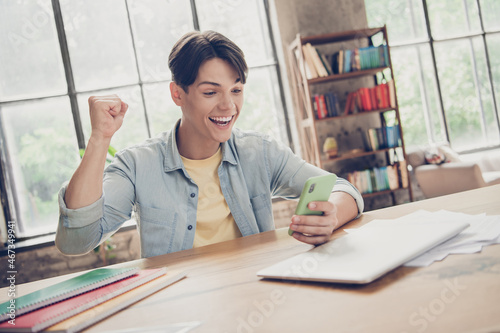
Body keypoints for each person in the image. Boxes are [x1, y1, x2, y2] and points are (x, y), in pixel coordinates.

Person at [56, 31, 364, 258]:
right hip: (181, 308)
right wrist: (99, 139)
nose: (228, 106)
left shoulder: (260, 152)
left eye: (236, 89)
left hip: (254, 294)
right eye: (210, 92)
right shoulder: (137, 166)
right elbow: (75, 241)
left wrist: (332, 215)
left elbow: (342, 189)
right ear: (178, 94)